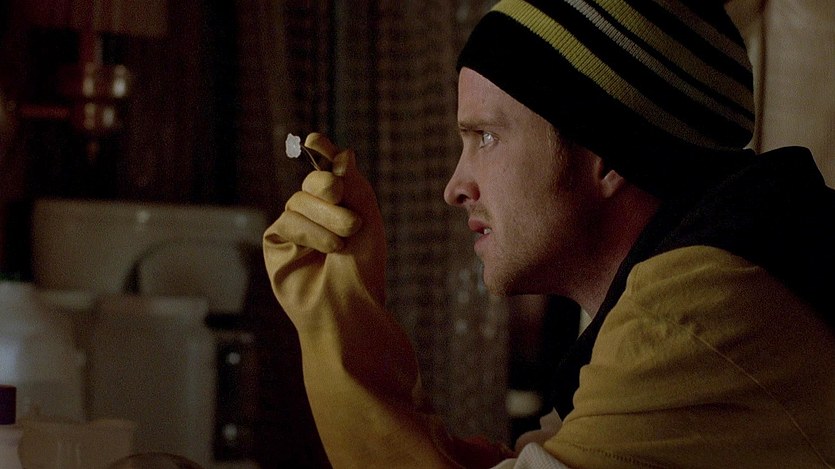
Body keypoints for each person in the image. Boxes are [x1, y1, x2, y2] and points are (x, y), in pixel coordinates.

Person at [263, 0, 835, 467]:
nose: (455, 187)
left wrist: (335, 320)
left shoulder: (693, 315)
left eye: (486, 137)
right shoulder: (712, 272)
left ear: (608, 155)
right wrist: (349, 313)